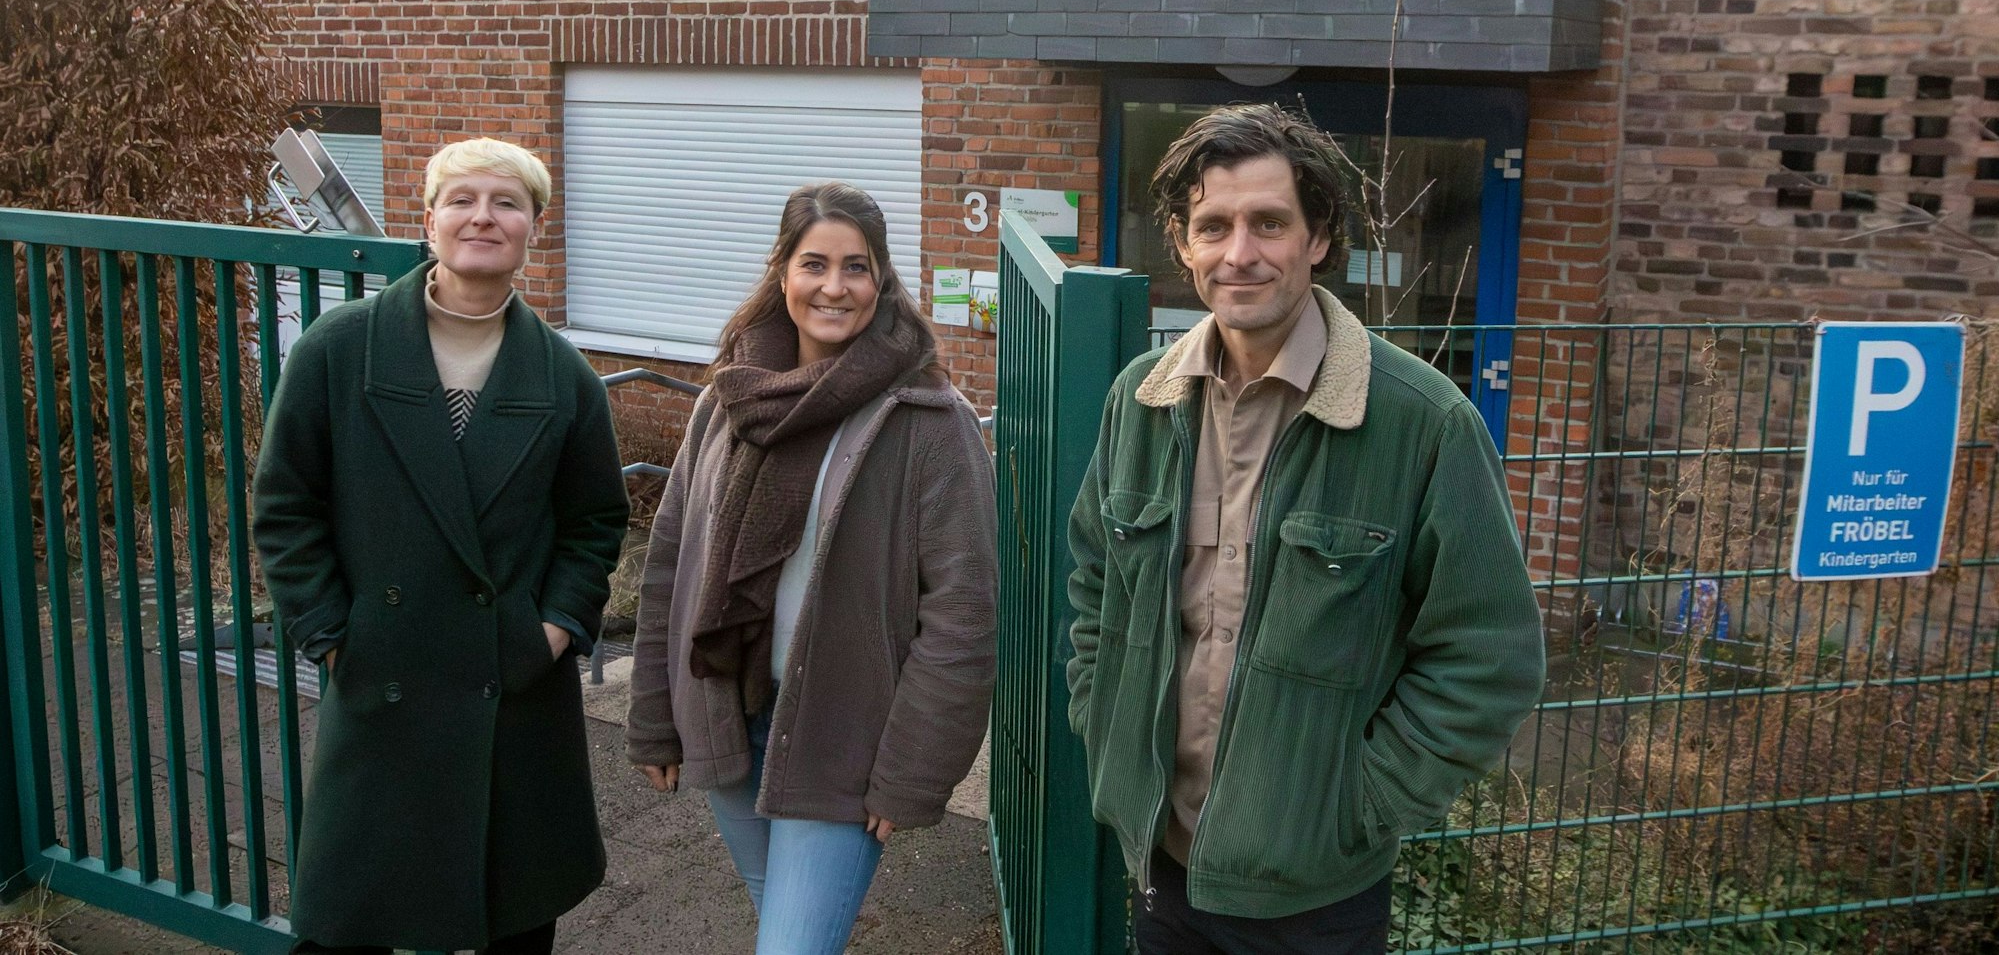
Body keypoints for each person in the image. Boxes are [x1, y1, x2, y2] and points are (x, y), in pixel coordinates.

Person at [1065, 104, 1545, 955]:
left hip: (1317, 902)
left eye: (1269, 223)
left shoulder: (1421, 423)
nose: (1238, 253)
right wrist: (1101, 723)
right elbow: (1094, 582)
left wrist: (1360, 806)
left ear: (1318, 236)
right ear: (1181, 240)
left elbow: (1489, 653)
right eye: (1212, 225)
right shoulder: (1141, 402)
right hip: (1159, 866)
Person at [253, 137, 630, 954]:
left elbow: (596, 521)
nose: (482, 216)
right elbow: (285, 506)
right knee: (349, 921)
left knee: (513, 918)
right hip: (381, 673)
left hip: (513, 683)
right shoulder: (338, 349)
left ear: (534, 228)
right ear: (429, 222)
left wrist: (555, 626)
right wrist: (329, 632)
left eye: (505, 202)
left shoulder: (566, 380)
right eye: (462, 199)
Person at [626, 181, 996, 955]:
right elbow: (670, 565)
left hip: (843, 733)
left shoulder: (928, 419)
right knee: (786, 929)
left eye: (856, 268)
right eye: (814, 264)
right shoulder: (727, 401)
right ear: (783, 273)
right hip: (727, 708)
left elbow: (963, 614)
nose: (835, 287)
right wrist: (656, 720)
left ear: (881, 280)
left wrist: (914, 770)